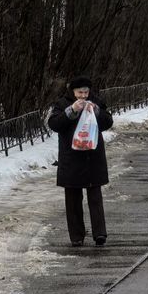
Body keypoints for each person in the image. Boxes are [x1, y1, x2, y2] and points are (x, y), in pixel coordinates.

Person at [48, 76, 113, 247]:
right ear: (73, 92)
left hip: (92, 156)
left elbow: (108, 122)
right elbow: (54, 124)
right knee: (72, 198)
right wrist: (71, 111)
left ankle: (100, 233)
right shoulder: (62, 104)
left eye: (85, 92)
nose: (83, 96)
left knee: (95, 197)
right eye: (79, 93)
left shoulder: (95, 101)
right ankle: (76, 236)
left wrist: (97, 111)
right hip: (71, 158)